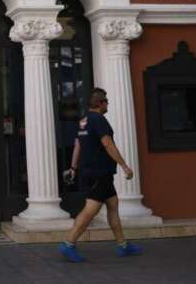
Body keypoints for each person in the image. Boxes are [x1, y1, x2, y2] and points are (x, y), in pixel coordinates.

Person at [59, 87, 143, 263]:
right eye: (106, 101)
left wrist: (73, 168)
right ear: (100, 103)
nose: (108, 104)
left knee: (113, 204)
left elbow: (77, 145)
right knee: (91, 210)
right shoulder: (99, 120)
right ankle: (69, 243)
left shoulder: (83, 121)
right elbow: (107, 143)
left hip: (93, 171)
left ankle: (122, 245)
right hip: (99, 173)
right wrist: (124, 166)